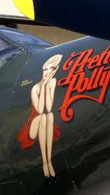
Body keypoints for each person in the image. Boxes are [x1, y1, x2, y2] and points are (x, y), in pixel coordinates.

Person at [28, 54, 63, 183]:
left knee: (50, 115)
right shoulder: (35, 88)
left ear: (54, 71)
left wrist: (48, 85)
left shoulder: (52, 82)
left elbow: (49, 107)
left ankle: (49, 162)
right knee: (43, 117)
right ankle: (45, 162)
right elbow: (40, 109)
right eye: (45, 69)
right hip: (32, 125)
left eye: (50, 69)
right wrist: (43, 86)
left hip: (46, 122)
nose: (46, 72)